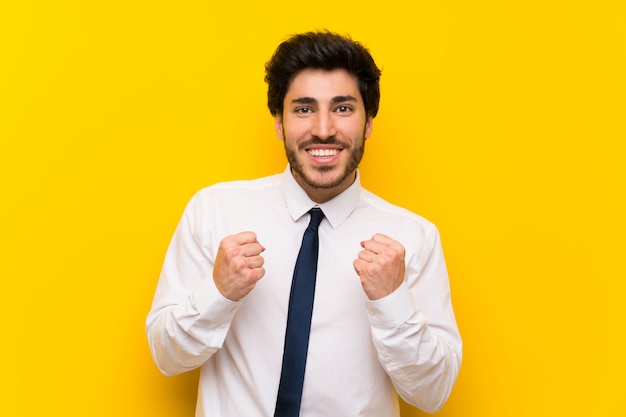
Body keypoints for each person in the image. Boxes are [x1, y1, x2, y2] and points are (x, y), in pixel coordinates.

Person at [146, 30, 462, 417]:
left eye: (343, 108)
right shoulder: (215, 210)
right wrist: (219, 292)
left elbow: (433, 393)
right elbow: (167, 356)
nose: (324, 129)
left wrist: (393, 302)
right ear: (279, 122)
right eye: (304, 108)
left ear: (368, 123)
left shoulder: (414, 237)